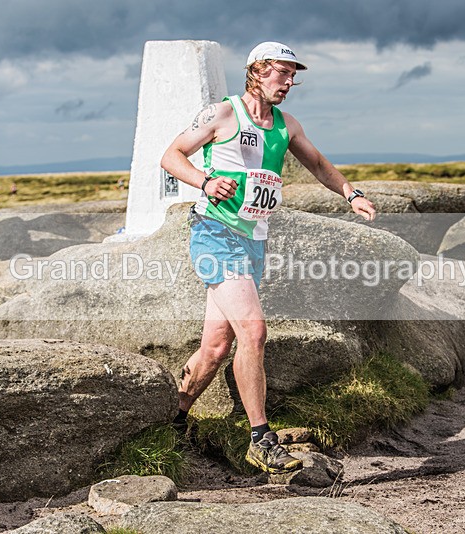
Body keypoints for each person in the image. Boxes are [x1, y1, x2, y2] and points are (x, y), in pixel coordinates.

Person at [160, 42, 376, 474]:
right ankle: (261, 438)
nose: (290, 82)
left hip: (253, 241)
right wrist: (204, 182)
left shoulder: (286, 124)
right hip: (215, 234)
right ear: (257, 71)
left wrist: (351, 193)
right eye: (283, 73)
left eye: (294, 75)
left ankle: (173, 419)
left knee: (216, 346)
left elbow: (318, 164)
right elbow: (170, 156)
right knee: (253, 331)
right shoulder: (222, 114)